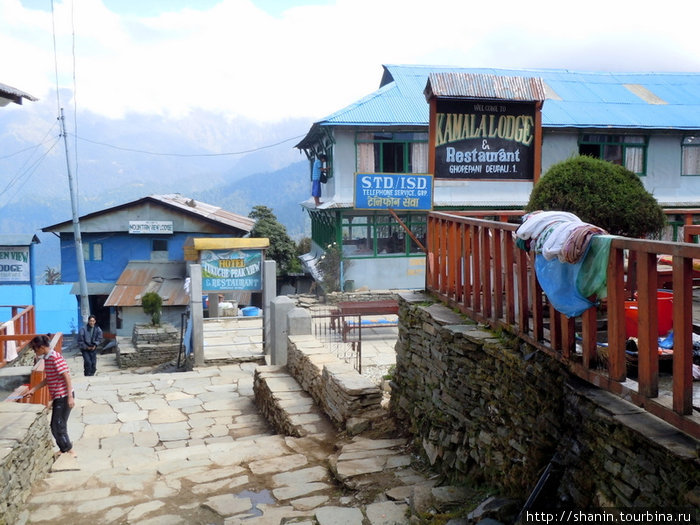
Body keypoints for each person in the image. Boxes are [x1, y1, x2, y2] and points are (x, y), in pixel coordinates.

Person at [24, 334, 77, 458]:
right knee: (56, 424)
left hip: (63, 395)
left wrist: (70, 397)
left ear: (42, 347)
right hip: (58, 396)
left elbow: (66, 377)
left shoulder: (55, 357)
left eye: (35, 349)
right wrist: (34, 389)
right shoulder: (47, 358)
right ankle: (64, 449)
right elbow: (49, 378)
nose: (34, 352)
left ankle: (69, 450)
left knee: (58, 424)